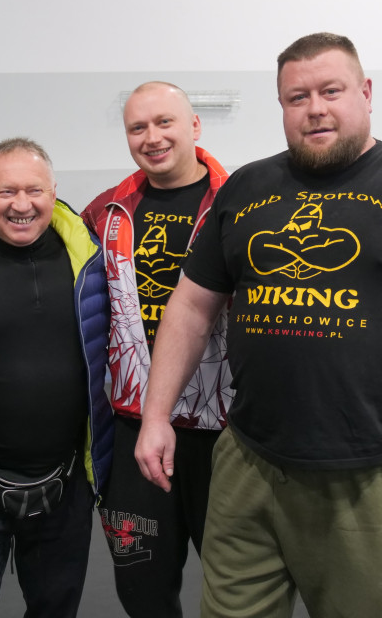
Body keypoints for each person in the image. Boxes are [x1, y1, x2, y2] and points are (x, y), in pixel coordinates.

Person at [135, 32, 382, 618]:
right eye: (297, 97)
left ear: (365, 93)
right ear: (282, 106)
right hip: (249, 461)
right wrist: (155, 415)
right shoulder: (246, 187)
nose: (314, 108)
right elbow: (191, 307)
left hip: (372, 475)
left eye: (331, 91)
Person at [0, 137, 113, 618]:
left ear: (53, 192)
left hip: (66, 483)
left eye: (34, 190)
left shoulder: (94, 263)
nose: (22, 204)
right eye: (6, 191)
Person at [82, 81, 232, 617]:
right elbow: (30, 225)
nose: (152, 137)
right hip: (135, 426)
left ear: (194, 126)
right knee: (142, 584)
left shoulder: (239, 202)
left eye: (164, 122)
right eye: (138, 127)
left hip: (226, 431)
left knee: (239, 584)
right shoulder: (105, 211)